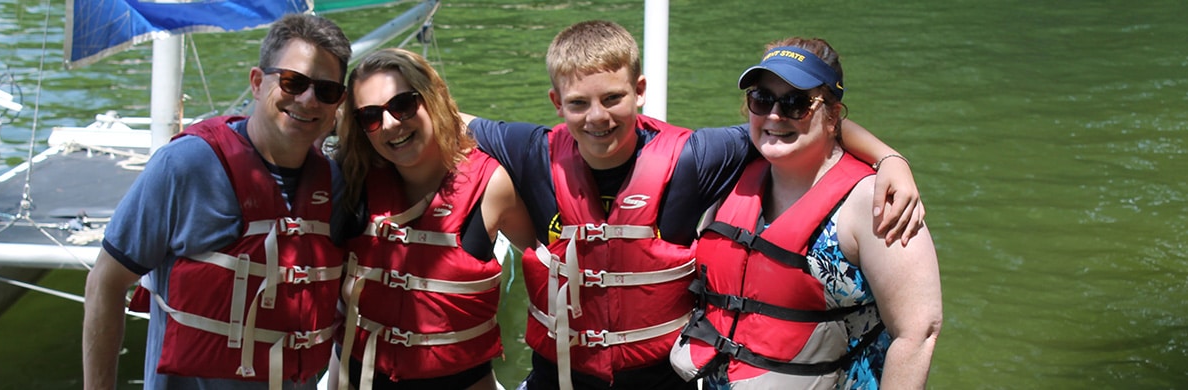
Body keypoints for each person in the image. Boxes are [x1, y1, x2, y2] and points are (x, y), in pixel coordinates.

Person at [463, 20, 924, 390]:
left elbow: (801, 126)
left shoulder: (696, 158)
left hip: (663, 377)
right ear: (556, 103)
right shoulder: (530, 150)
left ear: (640, 92)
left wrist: (890, 158)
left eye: (613, 98)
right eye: (578, 103)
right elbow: (450, 122)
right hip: (557, 376)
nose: (597, 117)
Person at [82, 14, 351, 390]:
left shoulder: (334, 185)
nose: (308, 100)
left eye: (326, 91)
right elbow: (105, 284)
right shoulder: (185, 165)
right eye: (293, 82)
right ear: (257, 83)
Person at [668, 37, 942, 389]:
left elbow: (918, 332)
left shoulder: (875, 201)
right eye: (761, 99)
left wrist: (892, 160)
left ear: (832, 117)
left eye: (796, 103)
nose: (775, 115)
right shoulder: (730, 173)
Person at [328, 48, 537, 390]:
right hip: (356, 378)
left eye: (404, 104)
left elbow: (548, 273)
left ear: (433, 97)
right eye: (370, 116)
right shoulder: (349, 181)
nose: (392, 124)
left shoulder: (492, 187)